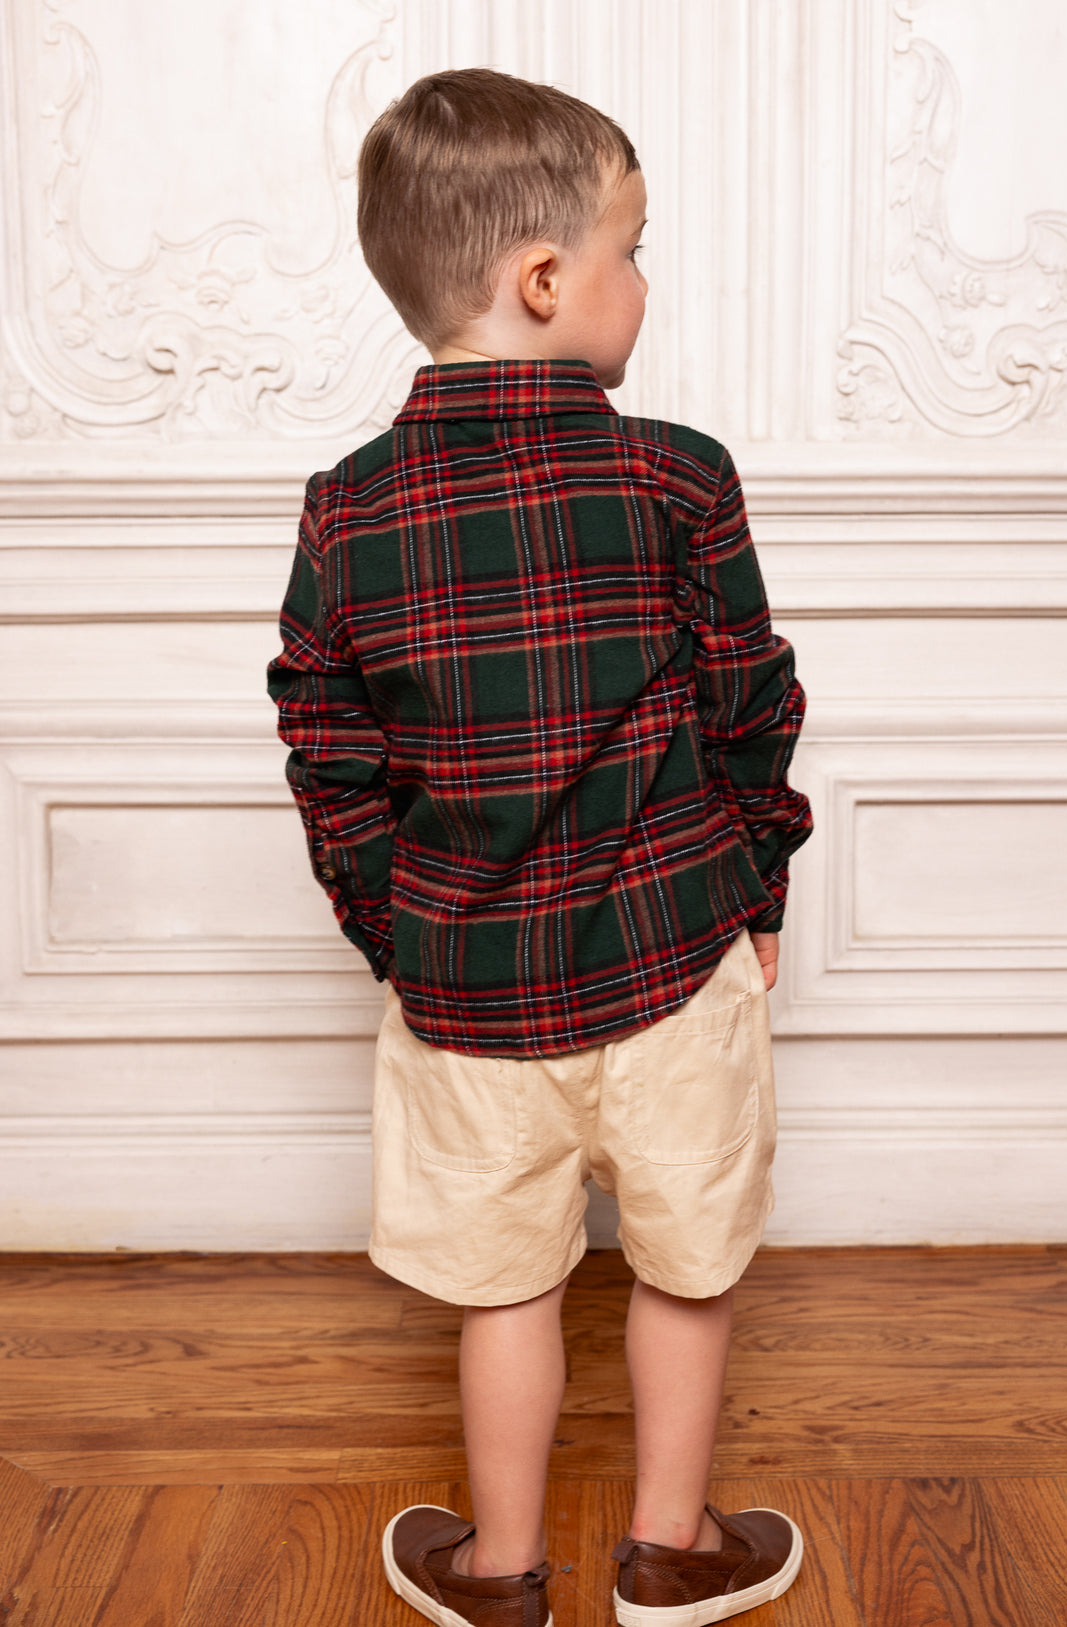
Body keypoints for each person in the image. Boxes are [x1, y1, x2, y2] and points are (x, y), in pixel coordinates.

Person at [268, 67, 813, 1627]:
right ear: (544, 280)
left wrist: (400, 932)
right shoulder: (678, 475)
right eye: (633, 249)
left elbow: (328, 752)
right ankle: (669, 1549)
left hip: (465, 992)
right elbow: (749, 704)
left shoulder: (346, 508)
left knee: (504, 1281)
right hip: (672, 963)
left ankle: (502, 1570)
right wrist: (756, 887)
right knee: (685, 1265)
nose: (643, 280)